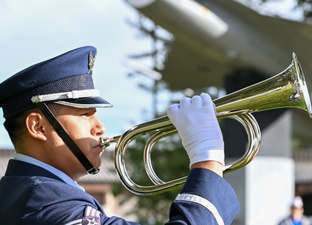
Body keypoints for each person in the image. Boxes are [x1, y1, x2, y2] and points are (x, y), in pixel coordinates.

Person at [0, 46, 240, 225]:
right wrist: (207, 158)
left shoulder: (23, 192)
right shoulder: (44, 201)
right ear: (38, 127)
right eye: (85, 115)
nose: (100, 128)